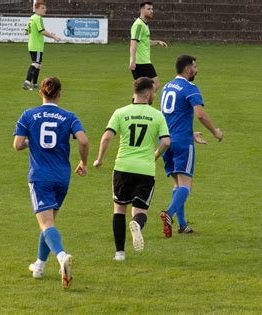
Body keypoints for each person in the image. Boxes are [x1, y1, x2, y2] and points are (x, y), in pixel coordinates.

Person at [13, 77, 89, 288]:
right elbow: (83, 140)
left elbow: (18, 145)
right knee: (49, 223)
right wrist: (83, 162)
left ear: (42, 93)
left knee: (46, 224)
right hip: (62, 177)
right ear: (59, 94)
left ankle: (62, 257)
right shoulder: (69, 116)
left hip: (40, 176)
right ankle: (39, 266)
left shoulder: (28, 115)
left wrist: (32, 141)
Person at [94, 77, 170, 261]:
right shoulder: (157, 115)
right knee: (140, 211)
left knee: (119, 209)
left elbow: (106, 138)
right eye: (153, 92)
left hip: (123, 167)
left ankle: (119, 253)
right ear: (146, 93)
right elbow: (166, 142)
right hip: (145, 169)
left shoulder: (120, 113)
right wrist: (155, 155)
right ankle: (136, 224)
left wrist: (99, 159)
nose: (154, 95)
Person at [159, 55, 224, 238]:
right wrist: (215, 133)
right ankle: (168, 214)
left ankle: (182, 224)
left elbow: (173, 115)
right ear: (187, 69)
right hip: (181, 143)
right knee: (186, 185)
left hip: (165, 141)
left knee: (177, 183)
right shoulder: (190, 88)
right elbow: (201, 115)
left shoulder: (167, 86)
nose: (196, 70)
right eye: (194, 66)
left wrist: (191, 132)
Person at [23, 1, 61, 91]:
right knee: (35, 64)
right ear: (36, 9)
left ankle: (35, 84)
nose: (45, 10)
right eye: (42, 8)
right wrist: (54, 37)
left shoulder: (31, 18)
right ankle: (27, 82)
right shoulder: (38, 18)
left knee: (39, 64)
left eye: (45, 8)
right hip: (37, 45)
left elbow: (25, 31)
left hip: (31, 45)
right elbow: (42, 31)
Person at [129, 2, 168, 90]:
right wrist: (132, 60)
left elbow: (144, 42)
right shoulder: (139, 25)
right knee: (155, 84)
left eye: (152, 9)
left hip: (142, 62)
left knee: (140, 89)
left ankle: (139, 102)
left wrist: (158, 42)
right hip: (141, 62)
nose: (151, 11)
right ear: (142, 10)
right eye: (148, 9)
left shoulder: (144, 24)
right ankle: (144, 101)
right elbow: (133, 42)